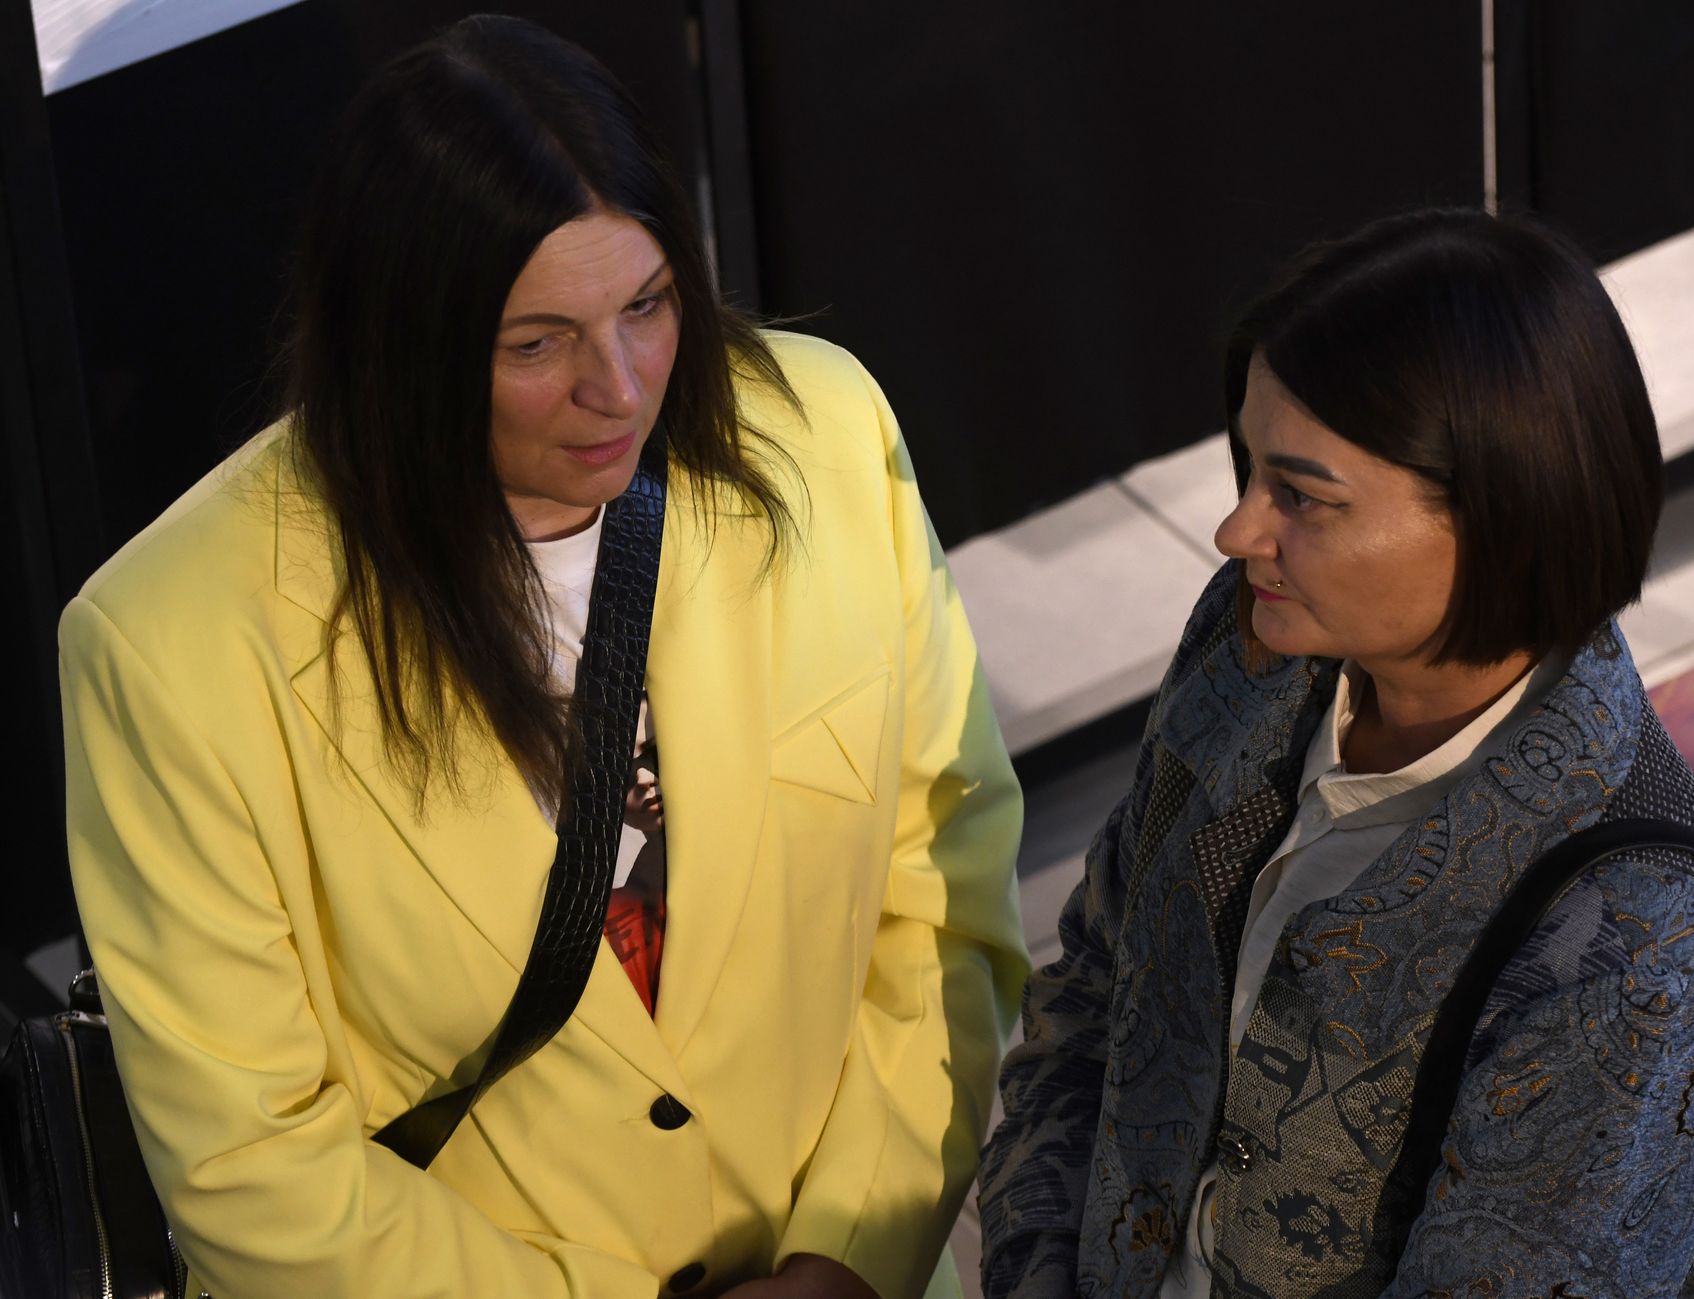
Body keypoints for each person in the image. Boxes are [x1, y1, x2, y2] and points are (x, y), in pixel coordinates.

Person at [60, 16, 1026, 1298]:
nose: (618, 388)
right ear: (397, 343)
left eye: (647, 306)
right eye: (536, 344)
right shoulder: (166, 643)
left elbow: (945, 887)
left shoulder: (822, 430)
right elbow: (251, 1160)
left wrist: (850, 1249)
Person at [978, 209, 1694, 1298]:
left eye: (1301, 496)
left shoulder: (1634, 955)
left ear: (1498, 514)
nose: (1236, 533)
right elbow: (1094, 989)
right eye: (1248, 469)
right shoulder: (1248, 647)